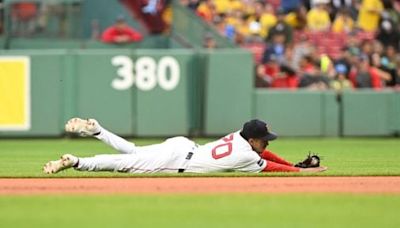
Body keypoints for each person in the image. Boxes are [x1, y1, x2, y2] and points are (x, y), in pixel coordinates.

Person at [43, 118, 327, 174]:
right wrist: (298, 172)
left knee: (133, 151)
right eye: (264, 139)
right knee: (124, 163)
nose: (267, 142)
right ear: (253, 140)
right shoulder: (244, 155)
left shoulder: (239, 137)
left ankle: (98, 131)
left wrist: (293, 164)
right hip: (179, 161)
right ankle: (76, 161)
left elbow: (266, 155)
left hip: (181, 146)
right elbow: (268, 165)